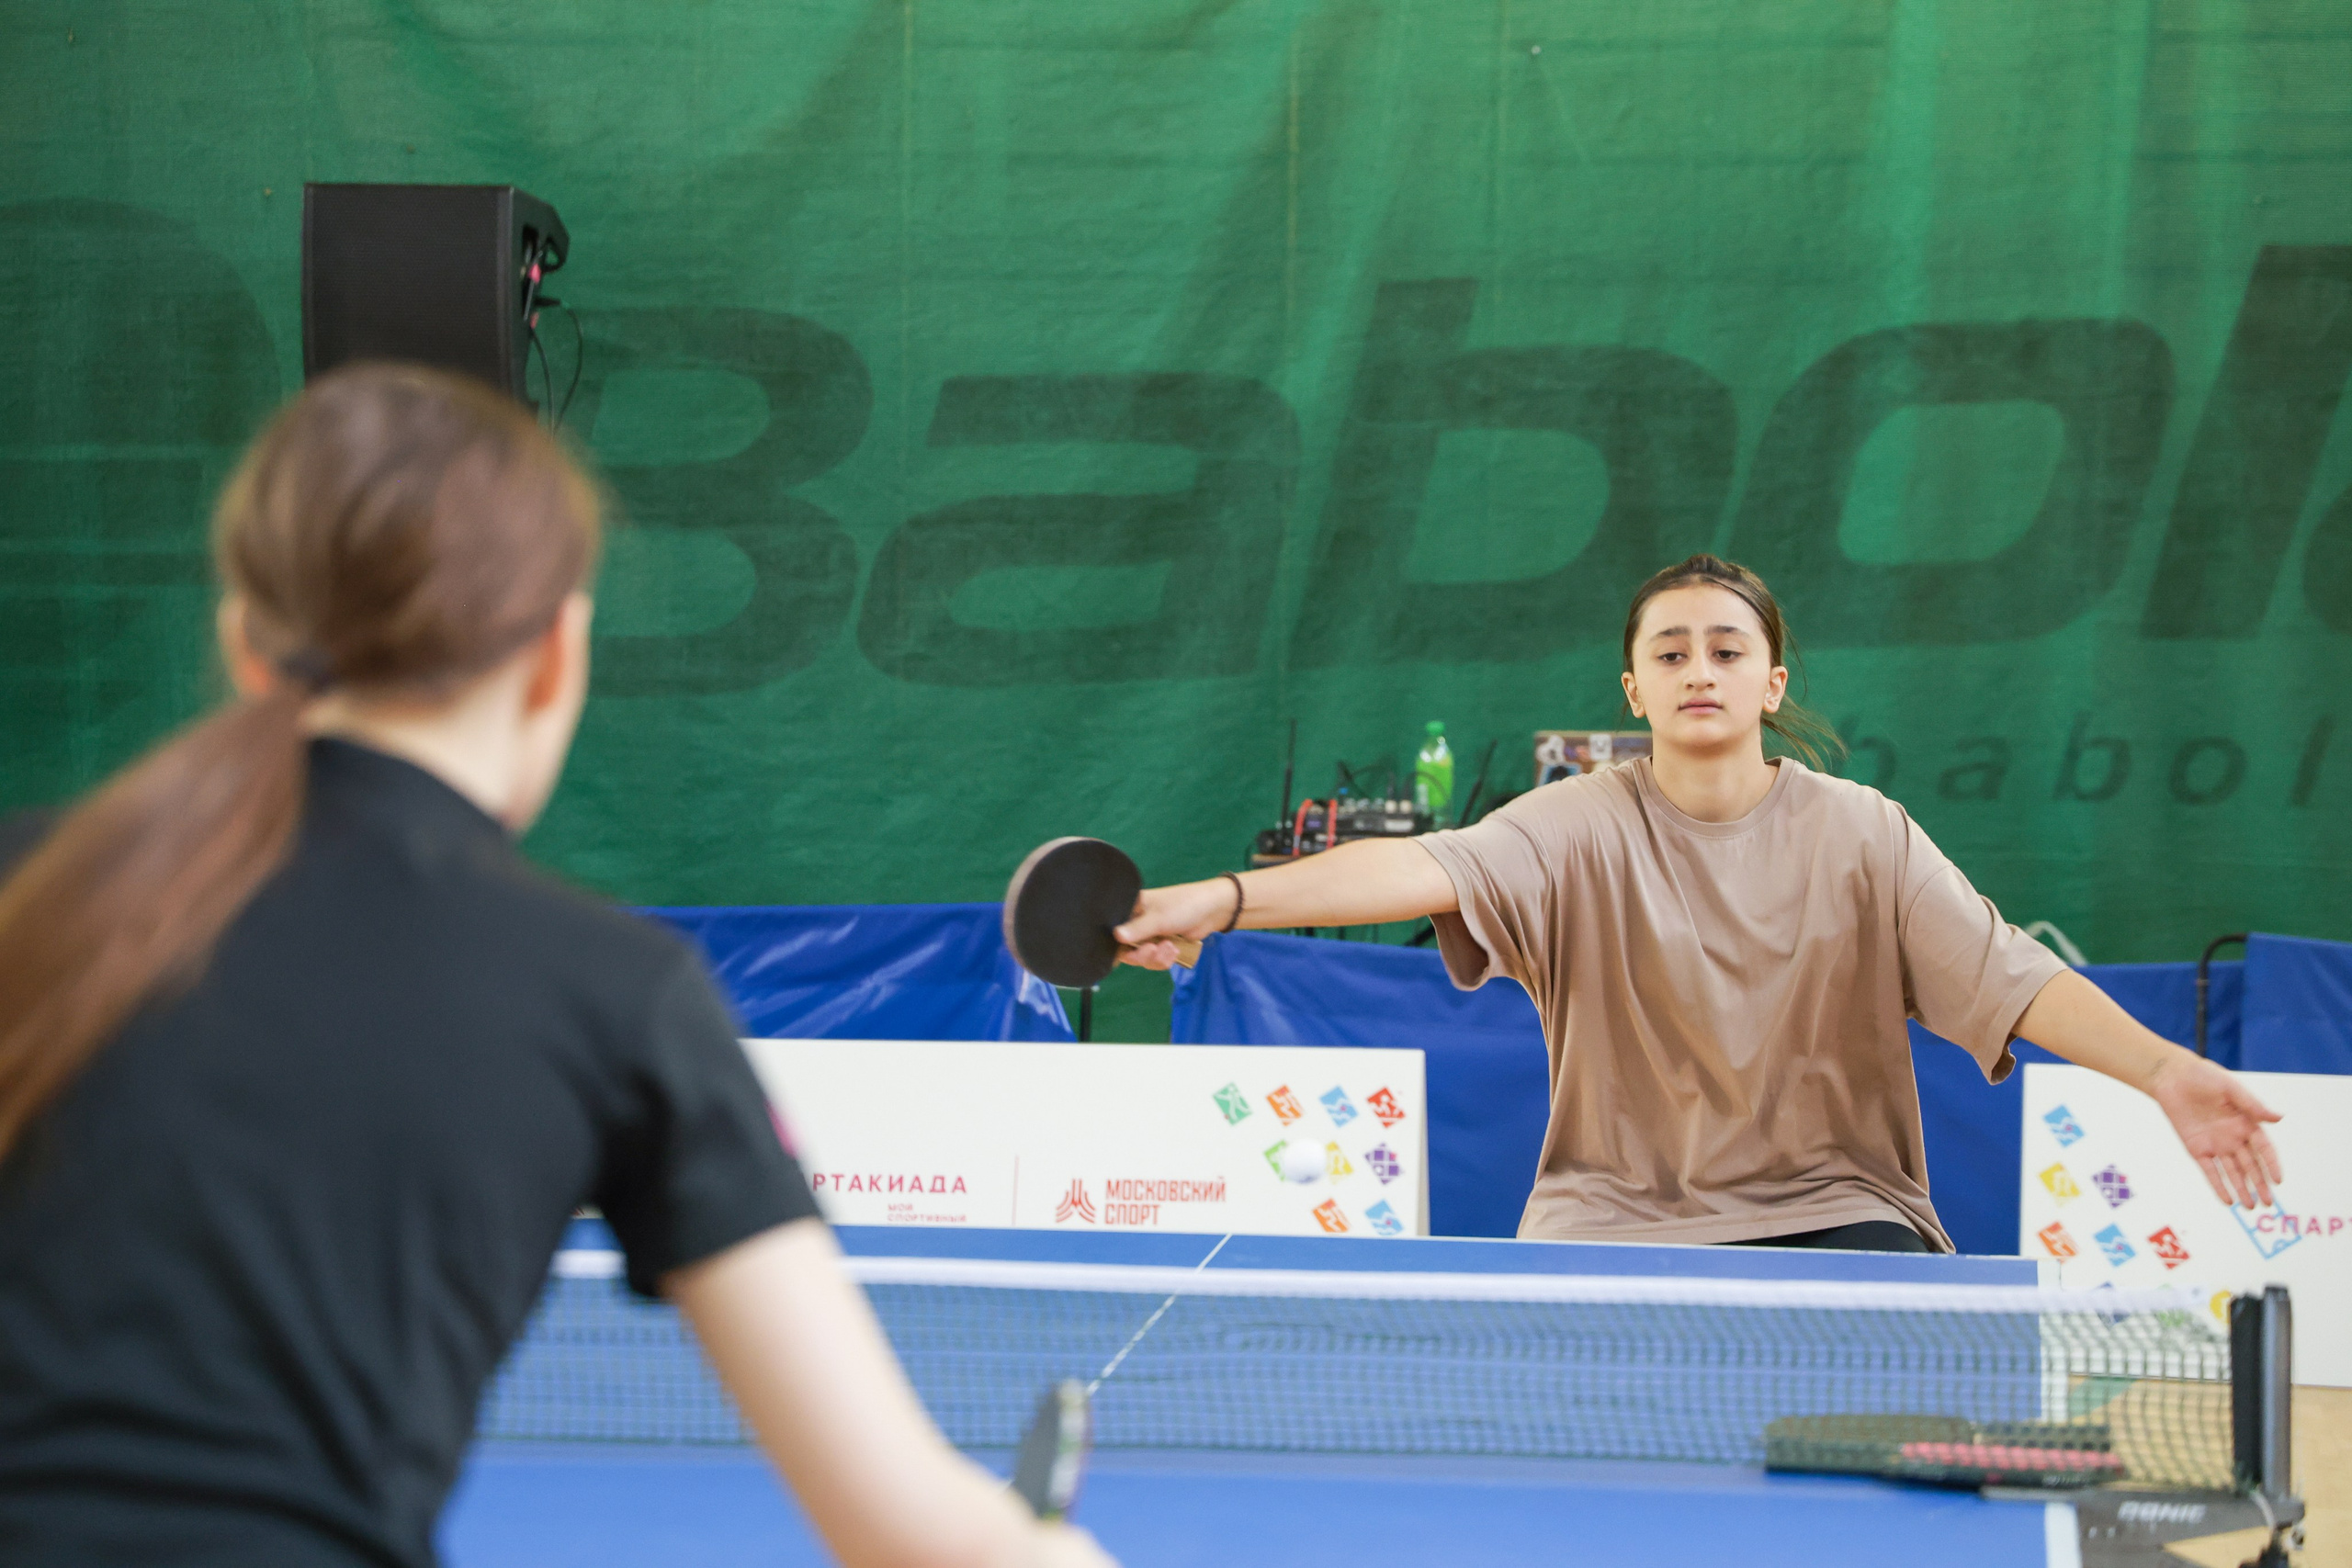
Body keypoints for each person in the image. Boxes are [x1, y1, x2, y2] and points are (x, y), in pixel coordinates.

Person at [0, 366, 1113, 1568]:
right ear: (556, 655)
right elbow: (907, 1523)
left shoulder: (33, 888)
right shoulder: (616, 996)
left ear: (245, 643)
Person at [1115, 555, 2284, 1253]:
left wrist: (2167, 1073)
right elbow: (1421, 866)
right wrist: (1219, 900)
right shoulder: (1573, 822)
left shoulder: (1859, 830)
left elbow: (2010, 978)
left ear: (1770, 683)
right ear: (1634, 686)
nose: (1698, 669)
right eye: (1669, 653)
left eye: (1726, 650)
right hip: (1607, 1217)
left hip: (1839, 1208)